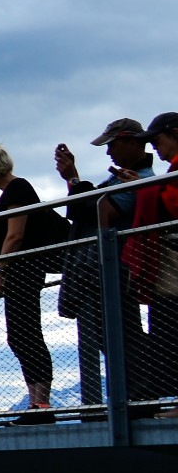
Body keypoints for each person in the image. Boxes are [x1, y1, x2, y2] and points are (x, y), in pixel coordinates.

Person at [58, 119, 157, 406]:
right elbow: (87, 210)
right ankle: (131, 398)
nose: (108, 152)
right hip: (106, 265)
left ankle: (136, 399)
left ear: (132, 141)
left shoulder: (141, 179)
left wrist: (76, 182)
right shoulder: (128, 178)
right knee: (112, 336)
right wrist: (75, 182)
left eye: (112, 144)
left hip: (113, 266)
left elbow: (100, 214)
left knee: (120, 335)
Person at [0, 144, 57, 422]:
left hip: (25, 270)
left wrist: (1, 271)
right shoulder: (8, 196)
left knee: (27, 333)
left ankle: (41, 404)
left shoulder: (18, 190)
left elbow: (15, 237)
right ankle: (36, 402)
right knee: (20, 335)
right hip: (19, 270)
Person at [123, 111, 178, 406]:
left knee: (169, 331)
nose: (154, 148)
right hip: (169, 266)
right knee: (166, 333)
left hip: (172, 269)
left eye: (157, 140)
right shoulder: (171, 171)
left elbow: (173, 203)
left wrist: (145, 190)